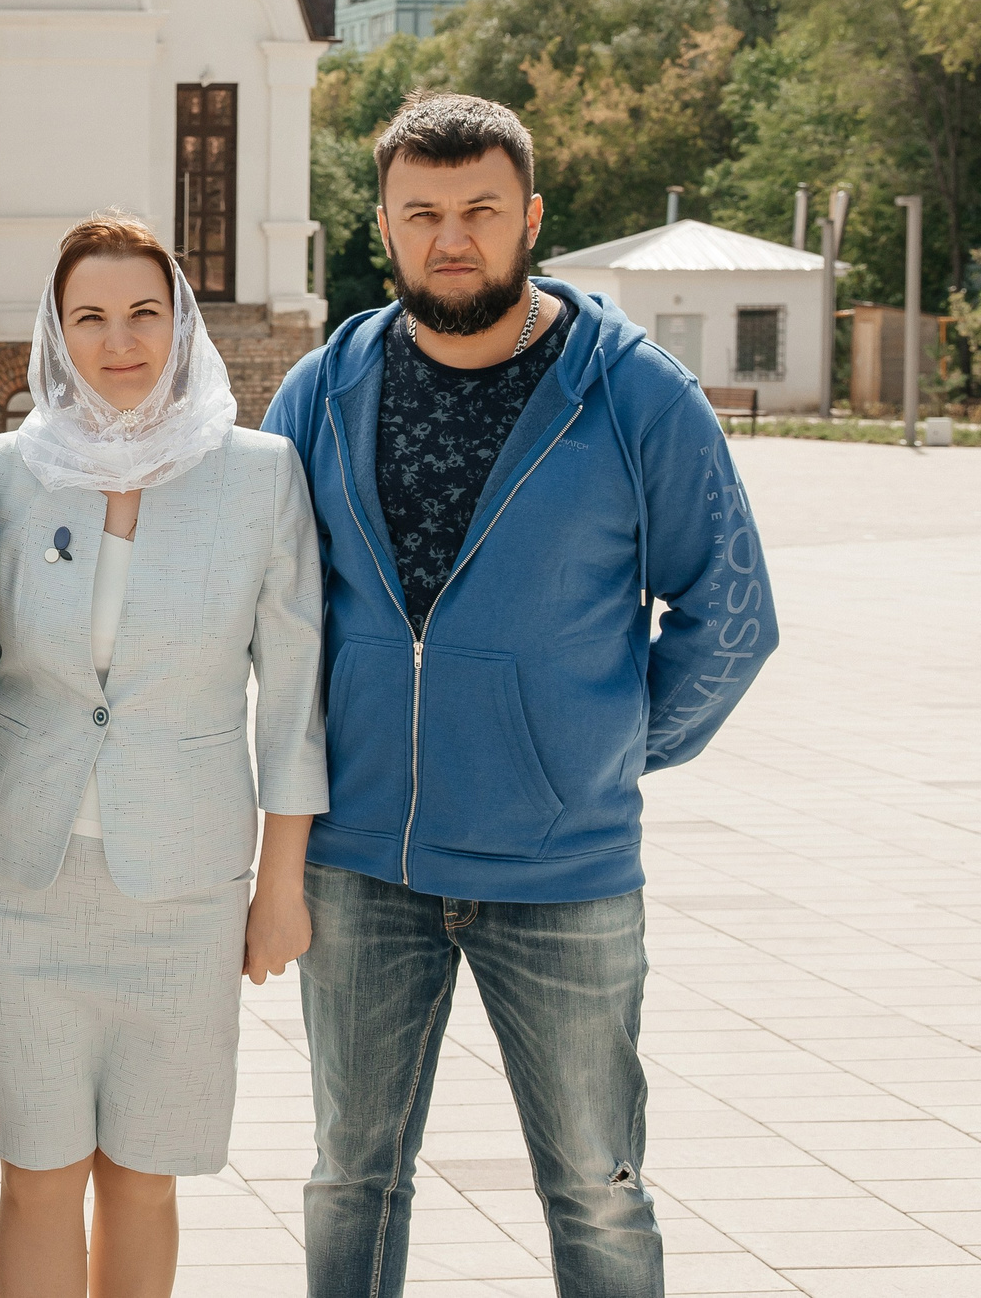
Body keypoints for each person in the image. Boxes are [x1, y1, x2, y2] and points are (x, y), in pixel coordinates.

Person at [263, 92, 778, 1298]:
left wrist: (600, 751)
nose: (453, 237)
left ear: (530, 218)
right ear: (381, 228)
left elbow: (732, 615)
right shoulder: (318, 395)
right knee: (352, 1176)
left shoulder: (635, 394)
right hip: (361, 861)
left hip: (563, 874)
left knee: (596, 1187)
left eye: (481, 211)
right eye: (423, 213)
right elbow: (266, 614)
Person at [0, 213, 325, 1298]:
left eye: (144, 313)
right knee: (37, 1175)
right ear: (55, 334)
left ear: (179, 323)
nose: (119, 342)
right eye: (88, 317)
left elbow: (291, 696)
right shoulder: (3, 472)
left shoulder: (259, 475)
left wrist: (279, 884)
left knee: (147, 1179)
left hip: (183, 892)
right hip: (16, 889)